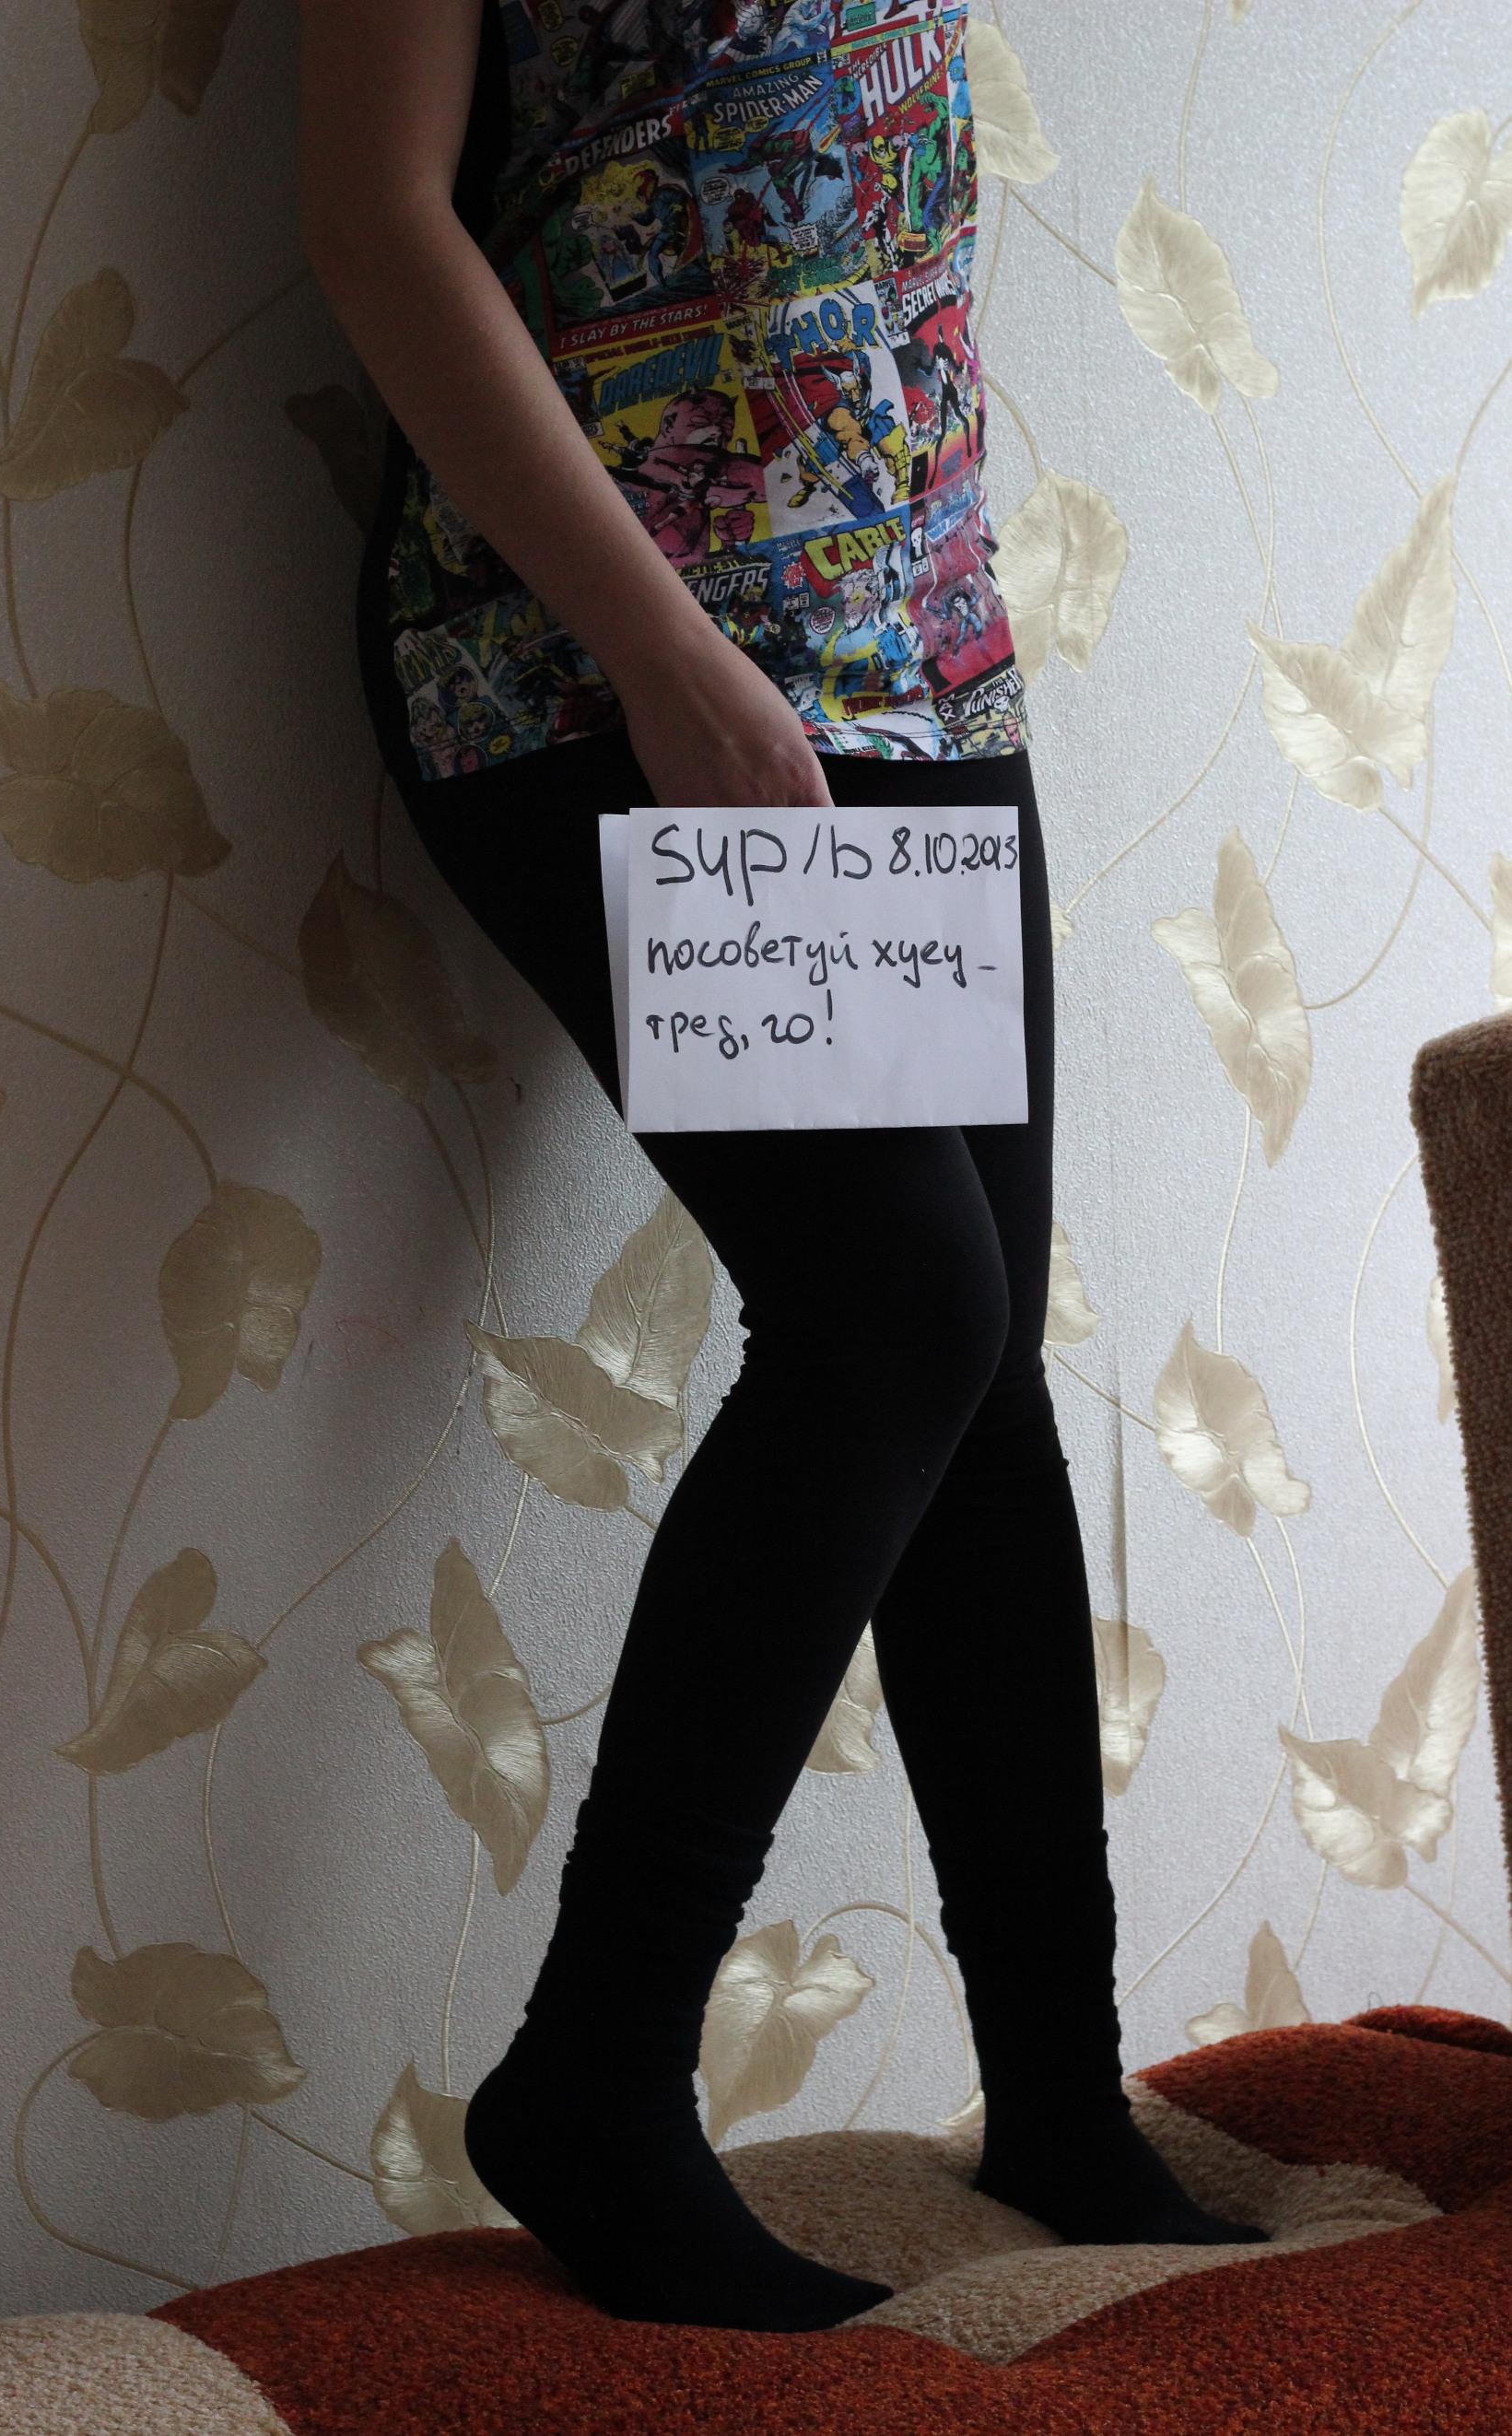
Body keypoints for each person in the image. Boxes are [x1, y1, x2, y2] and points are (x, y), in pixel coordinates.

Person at [297, 0, 1269, 2336]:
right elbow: (377, 215)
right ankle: (596, 2079)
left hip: (903, 641)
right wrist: (664, 650)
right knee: (900, 1310)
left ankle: (1059, 2102)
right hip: (607, 665)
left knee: (973, 1369)